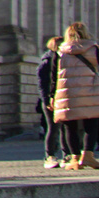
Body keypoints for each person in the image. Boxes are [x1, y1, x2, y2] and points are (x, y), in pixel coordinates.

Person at [54, 22, 99, 169]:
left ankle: (74, 159)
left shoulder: (61, 51)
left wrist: (51, 95)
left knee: (70, 126)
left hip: (67, 92)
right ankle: (88, 156)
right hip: (89, 90)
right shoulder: (92, 48)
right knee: (91, 124)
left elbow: (54, 75)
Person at [37, 36, 70, 168]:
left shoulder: (63, 60)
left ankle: (66, 154)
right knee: (53, 127)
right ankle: (49, 156)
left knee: (65, 127)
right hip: (50, 100)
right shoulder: (47, 62)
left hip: (62, 97)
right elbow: (42, 84)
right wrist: (46, 101)